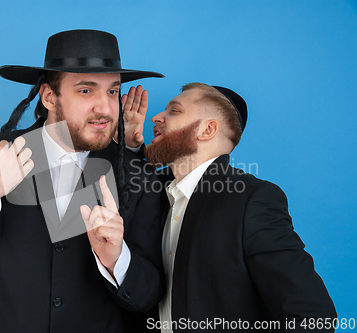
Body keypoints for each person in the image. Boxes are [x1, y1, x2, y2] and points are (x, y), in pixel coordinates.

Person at [0, 29, 166, 333]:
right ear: (49, 96)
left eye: (112, 91)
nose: (105, 107)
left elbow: (149, 298)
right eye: (86, 90)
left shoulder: (137, 173)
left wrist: (117, 260)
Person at [141, 82, 336, 332]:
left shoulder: (252, 200)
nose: (156, 117)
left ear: (207, 129)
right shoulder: (157, 194)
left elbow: (313, 318)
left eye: (174, 111)